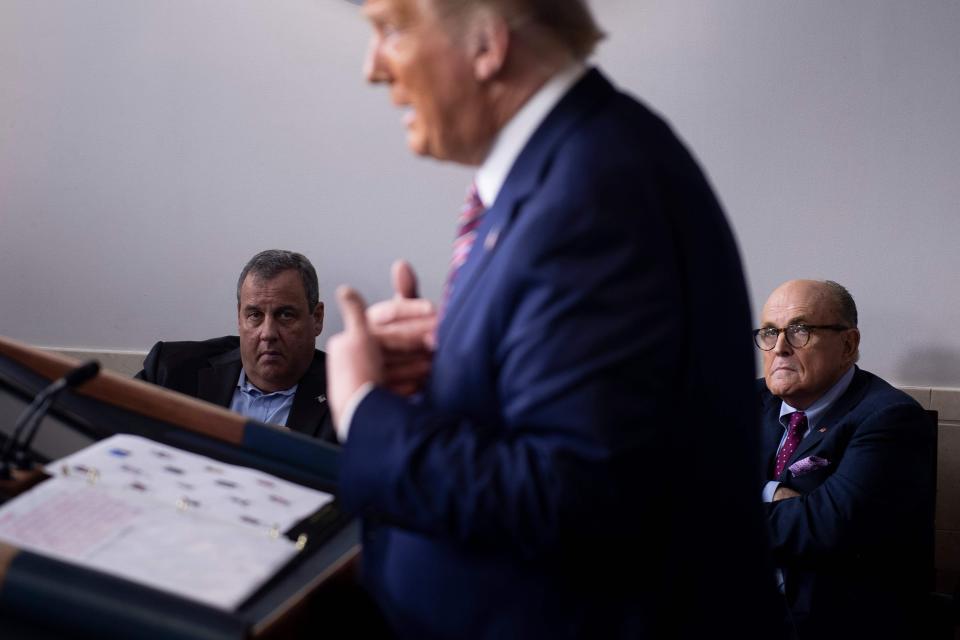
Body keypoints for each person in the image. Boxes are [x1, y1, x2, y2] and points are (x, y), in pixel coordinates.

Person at [325, 0, 780, 637]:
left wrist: (363, 409)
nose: (373, 67)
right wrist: (443, 373)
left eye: (393, 29)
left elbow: (571, 498)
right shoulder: (571, 166)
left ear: (487, 42)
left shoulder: (594, 193)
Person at [756, 279, 933, 639]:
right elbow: (682, 485)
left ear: (848, 344)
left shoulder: (890, 418)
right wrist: (773, 491)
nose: (780, 348)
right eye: (769, 333)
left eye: (799, 331)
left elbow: (825, 526)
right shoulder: (746, 399)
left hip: (828, 622)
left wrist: (713, 511)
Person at [136, 249, 335, 442]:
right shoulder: (170, 371)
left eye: (285, 315)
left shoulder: (350, 397)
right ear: (239, 318)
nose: (268, 333)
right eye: (255, 315)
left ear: (316, 318)